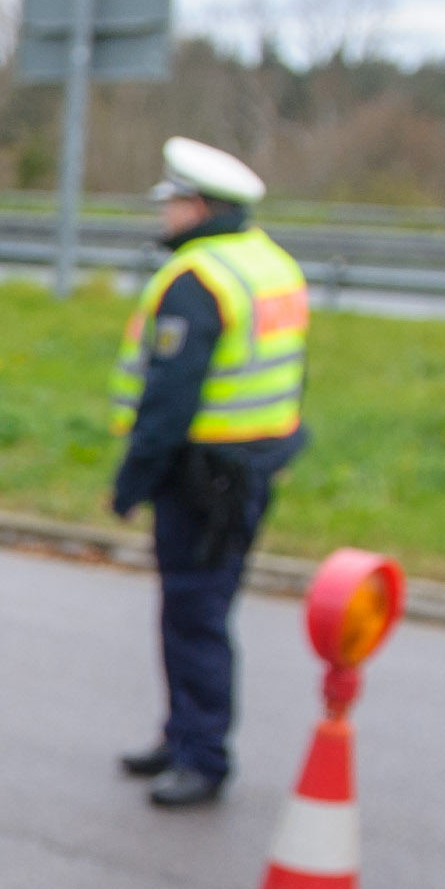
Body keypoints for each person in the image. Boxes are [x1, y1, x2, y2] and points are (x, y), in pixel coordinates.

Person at [110, 137, 311, 808]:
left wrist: (132, 481)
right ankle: (183, 734)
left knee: (195, 613)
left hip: (204, 475)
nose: (164, 217)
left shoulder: (198, 279)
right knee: (201, 607)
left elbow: (169, 397)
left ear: (198, 206)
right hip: (253, 464)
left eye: (171, 204)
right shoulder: (270, 262)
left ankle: (201, 754)